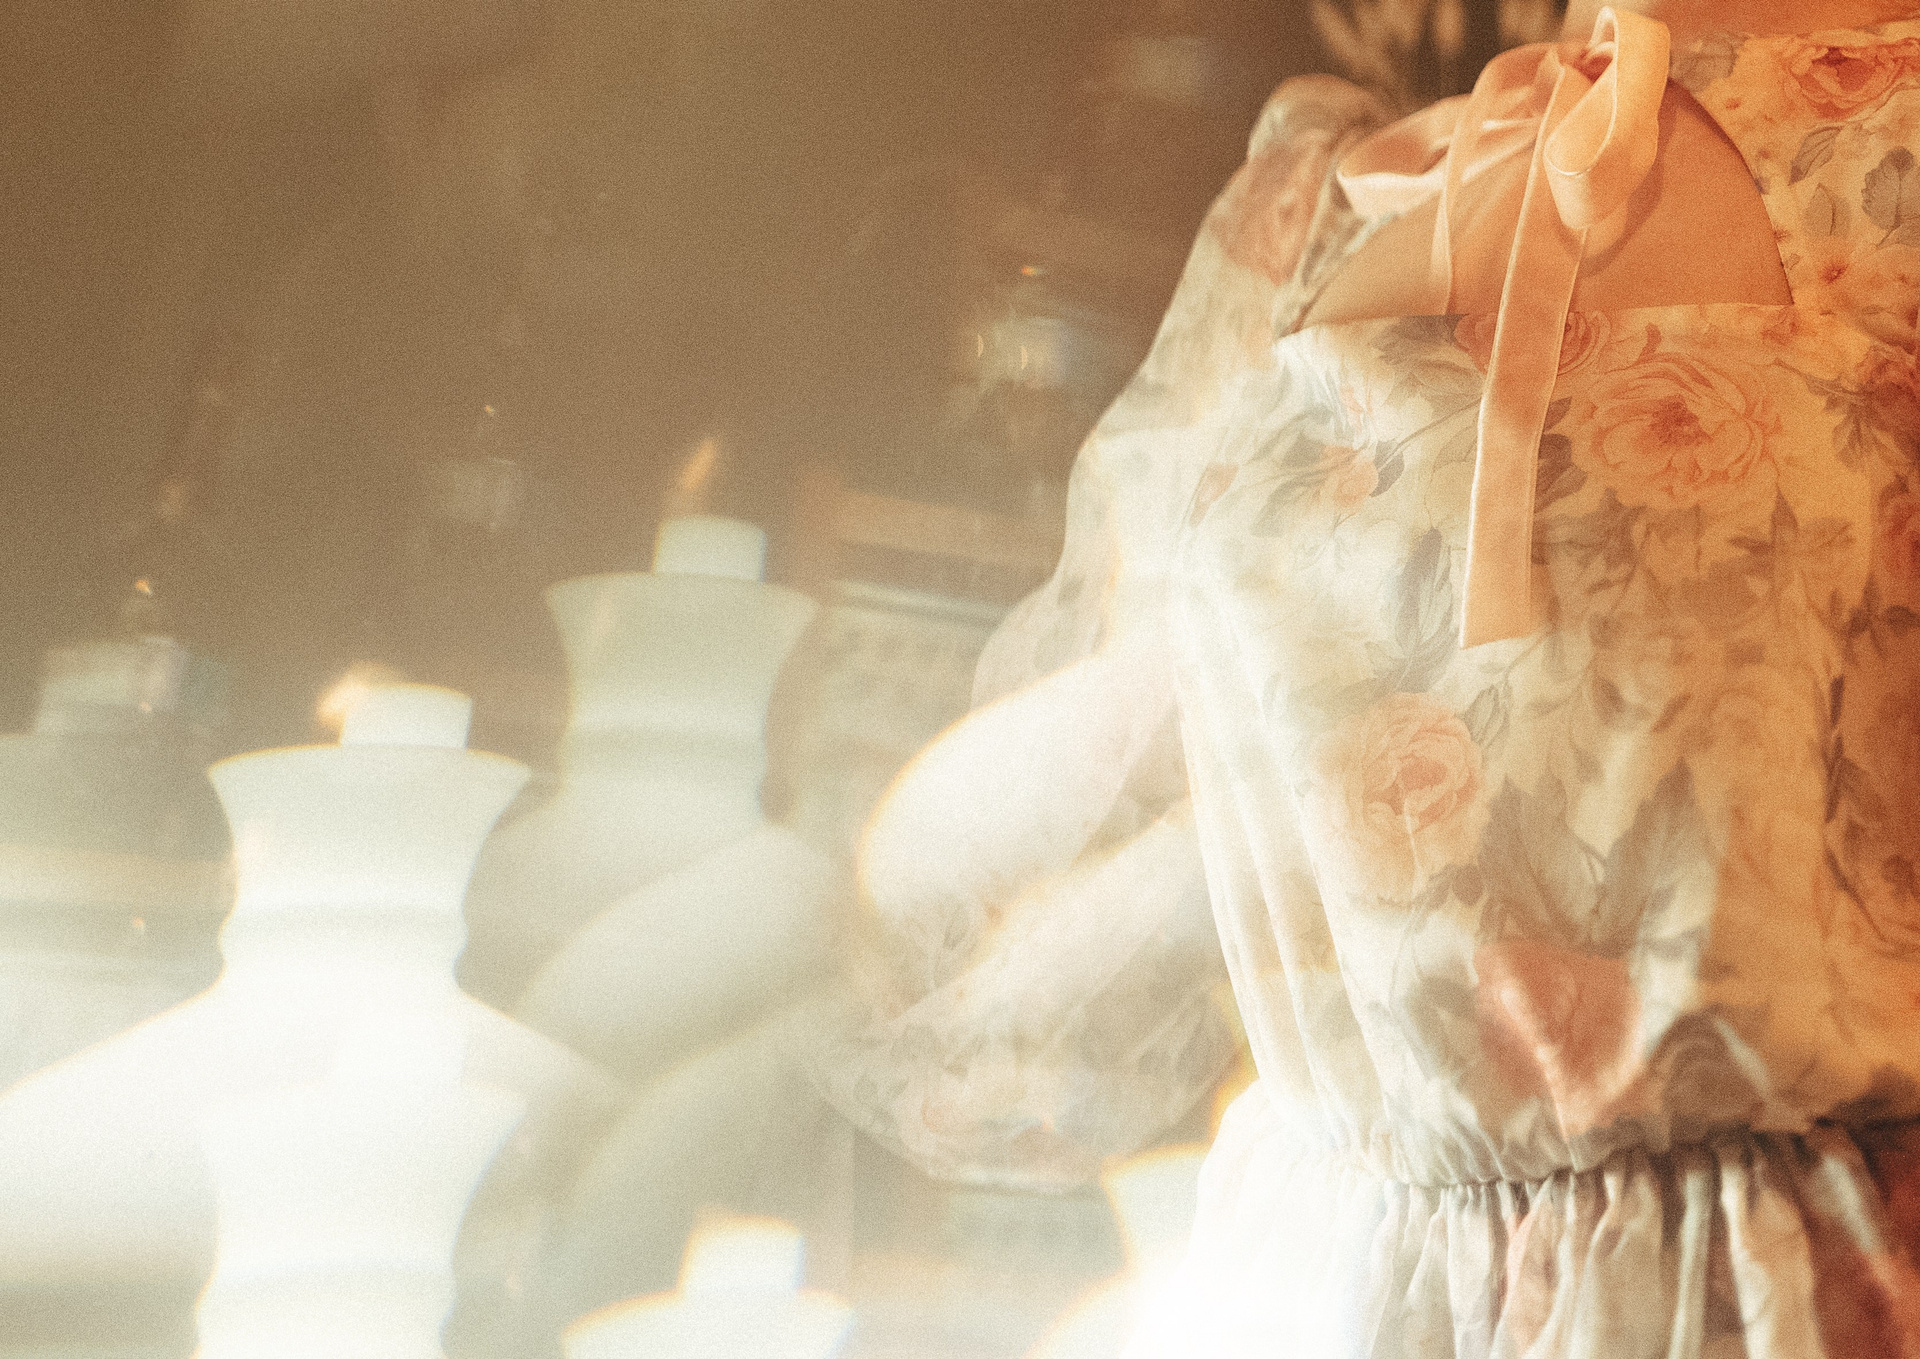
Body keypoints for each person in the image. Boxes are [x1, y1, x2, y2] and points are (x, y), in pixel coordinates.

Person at [828, 1, 1920, 1352]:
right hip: (1347, 1283)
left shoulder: (1881, 154)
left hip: (1793, 1302)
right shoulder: (1351, 188)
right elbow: (992, 858)